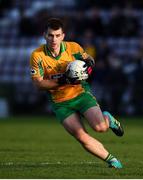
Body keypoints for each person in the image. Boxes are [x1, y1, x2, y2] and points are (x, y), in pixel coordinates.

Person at [30, 18, 124, 168]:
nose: (54, 39)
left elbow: (90, 61)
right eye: (50, 35)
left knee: (100, 128)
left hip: (81, 94)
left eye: (57, 35)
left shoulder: (73, 47)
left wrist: (87, 69)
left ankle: (107, 118)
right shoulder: (37, 56)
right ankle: (112, 161)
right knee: (81, 136)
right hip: (60, 103)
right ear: (44, 35)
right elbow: (38, 84)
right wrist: (64, 80)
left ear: (63, 36)